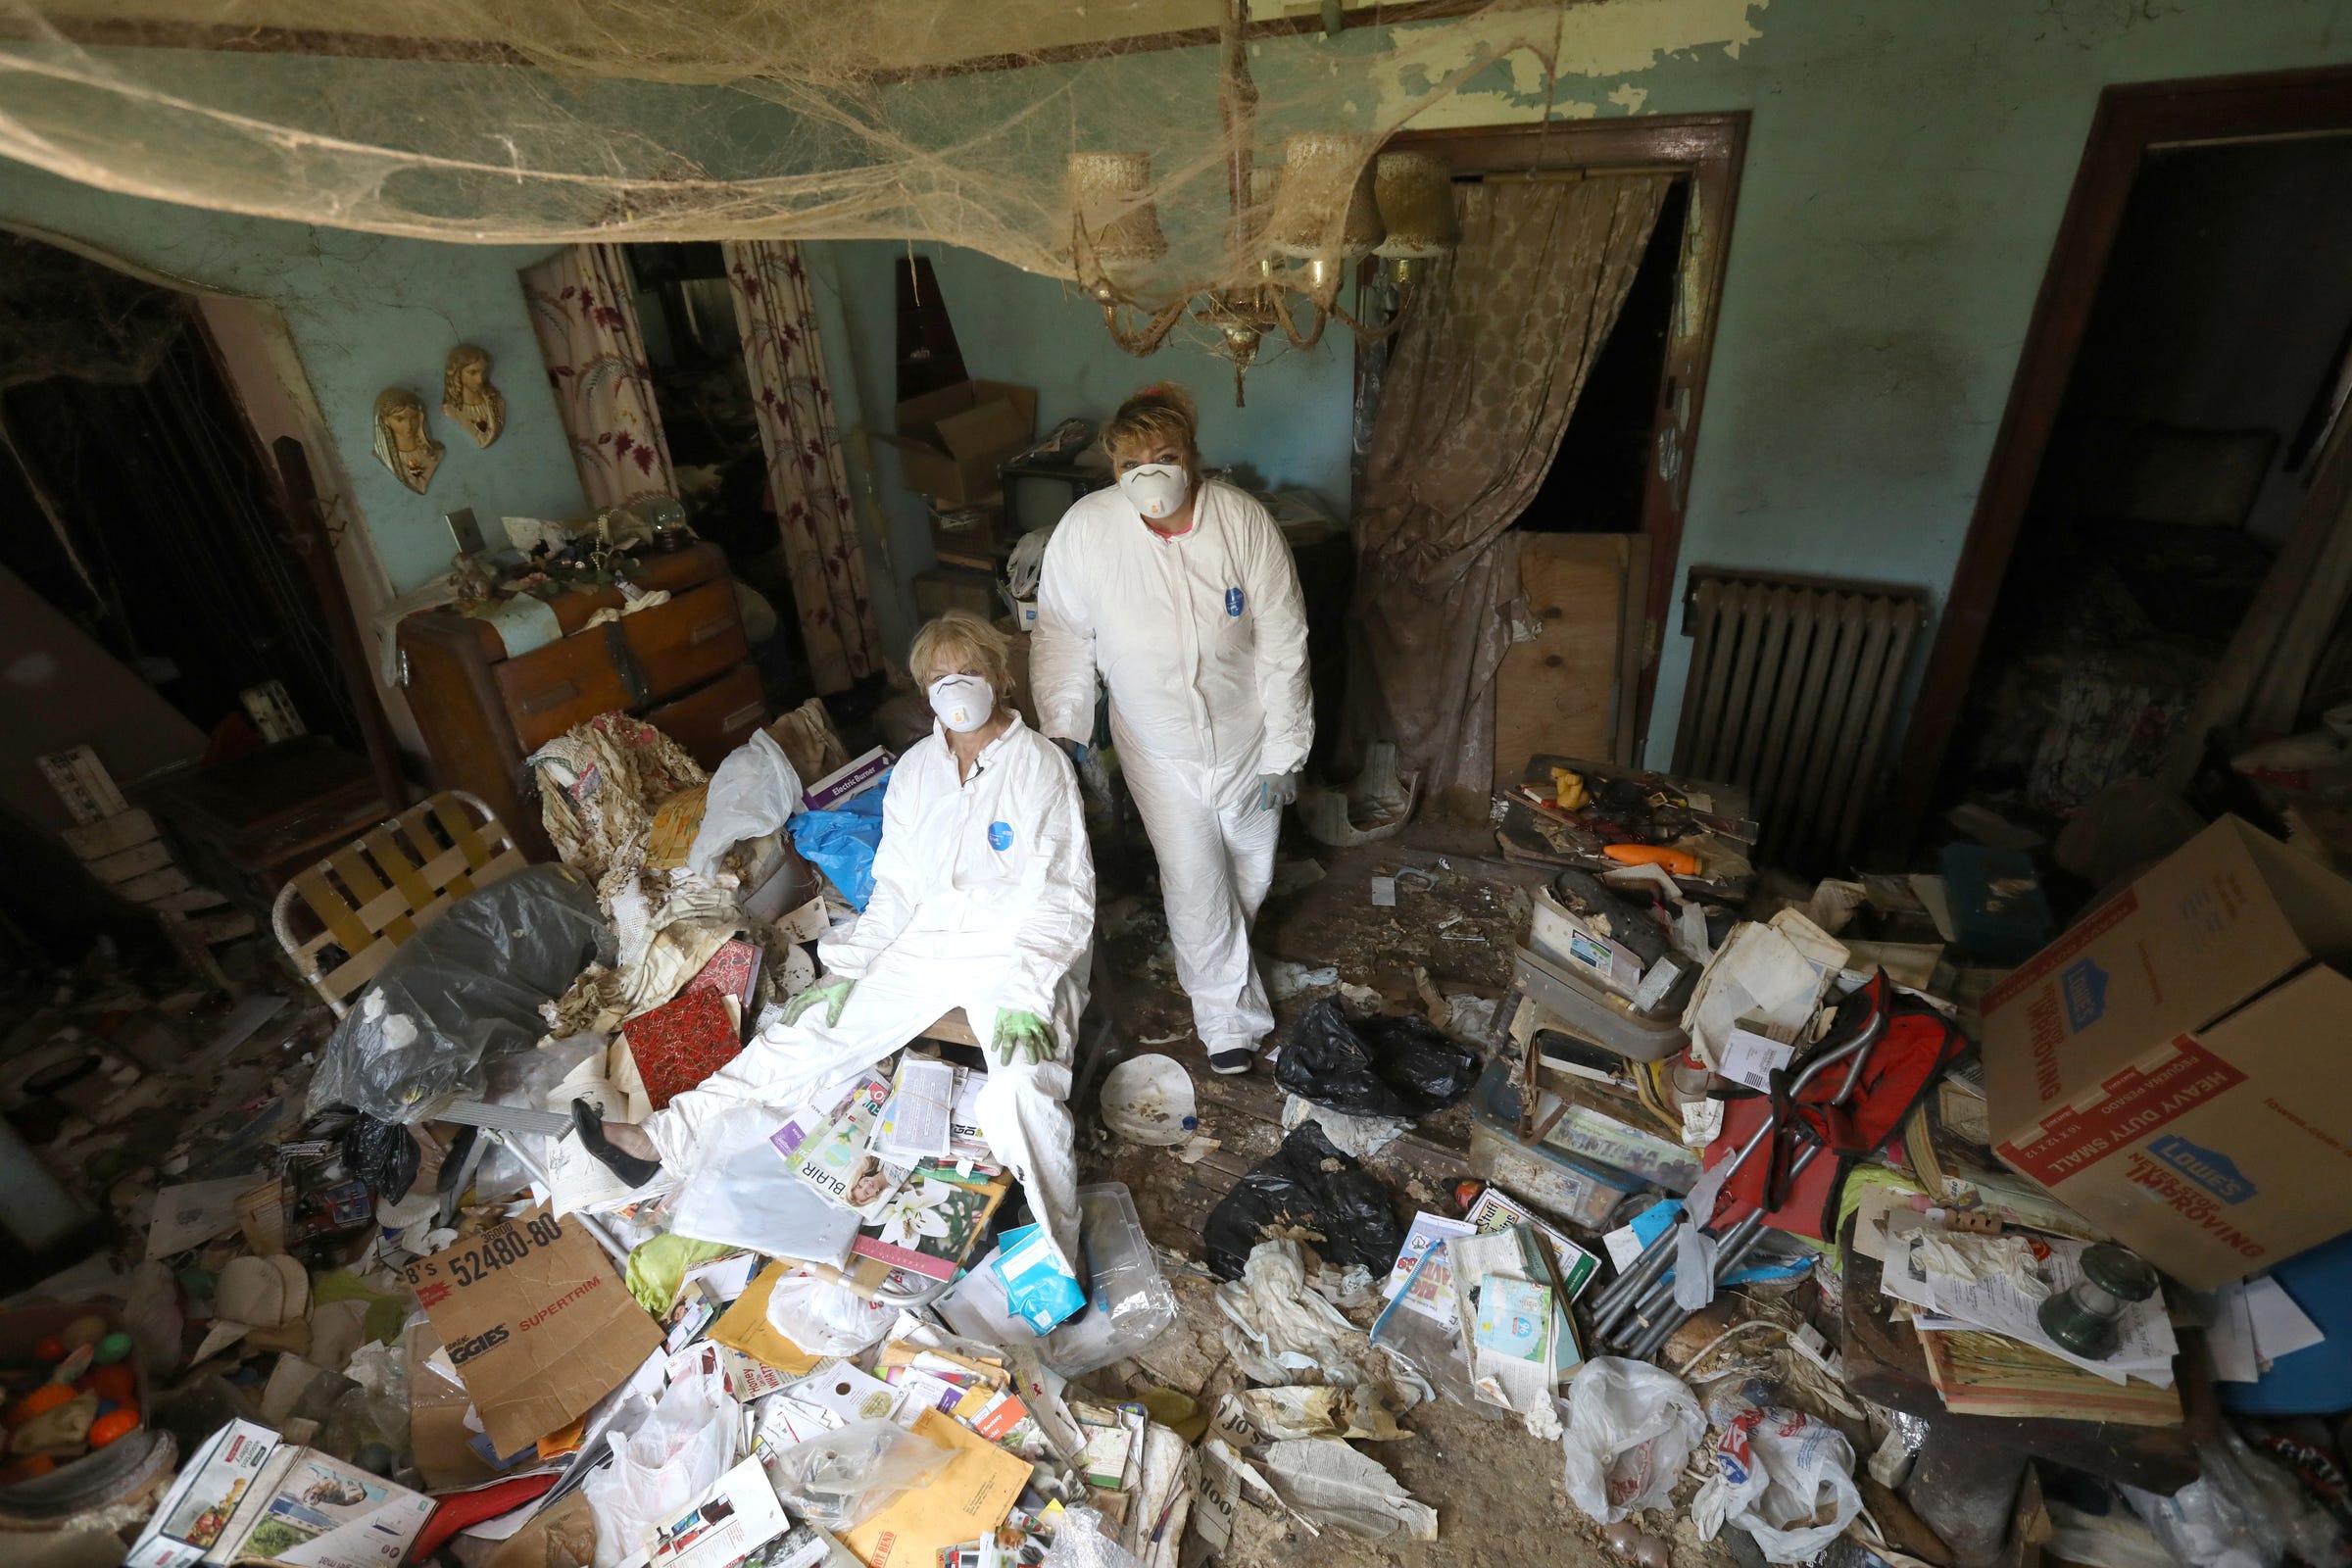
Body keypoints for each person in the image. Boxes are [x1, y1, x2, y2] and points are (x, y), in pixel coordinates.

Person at [573, 610, 1096, 1268]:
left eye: (968, 672)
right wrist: (845, 970)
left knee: (1022, 1091)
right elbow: (896, 891)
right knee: (801, 1038)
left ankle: (1060, 1254)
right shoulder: (916, 773)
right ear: (922, 690)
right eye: (939, 677)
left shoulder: (1039, 765)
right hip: (925, 943)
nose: (955, 688)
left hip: (1015, 949)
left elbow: (1062, 892)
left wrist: (1029, 986)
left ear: (998, 677)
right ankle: (660, 1143)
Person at [1032, 384, 1310, 1076]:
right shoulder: (1088, 533)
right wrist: (1066, 730)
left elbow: (1284, 638)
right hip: (1157, 748)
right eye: (1131, 463)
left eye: (1164, 455)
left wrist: (1286, 750)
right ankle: (1227, 1023)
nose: (1149, 473)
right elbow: (1064, 636)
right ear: (1113, 471)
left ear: (1192, 456)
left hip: (1248, 740)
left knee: (1249, 870)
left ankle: (1223, 965)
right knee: (1193, 880)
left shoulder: (1242, 521)